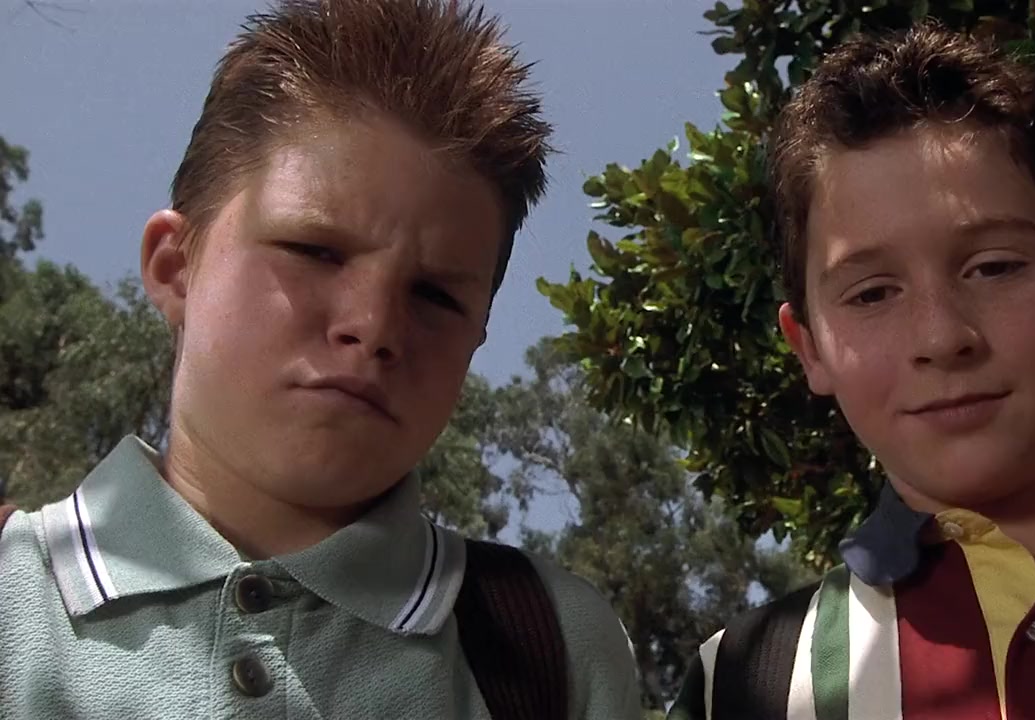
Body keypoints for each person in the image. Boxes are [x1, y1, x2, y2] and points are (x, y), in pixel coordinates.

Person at [0, 1, 643, 718]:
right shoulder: (14, 595)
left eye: (435, 296)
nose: (373, 327)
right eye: (315, 251)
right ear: (175, 267)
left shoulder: (555, 648)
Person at [668, 22, 1035, 720]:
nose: (942, 338)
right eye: (871, 294)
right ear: (808, 348)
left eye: (994, 268)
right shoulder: (742, 686)